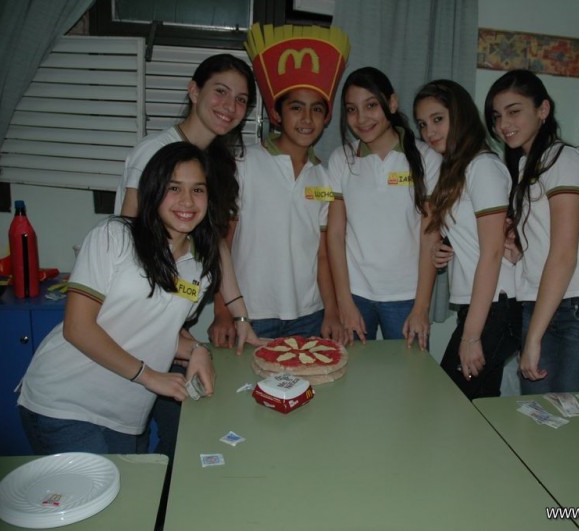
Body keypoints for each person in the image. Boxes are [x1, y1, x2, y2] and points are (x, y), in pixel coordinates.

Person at [17, 142, 259, 454]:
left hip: (127, 415)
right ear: (154, 190)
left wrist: (197, 350)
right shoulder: (114, 237)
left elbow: (157, 331)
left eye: (198, 189)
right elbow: (77, 328)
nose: (187, 201)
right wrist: (149, 376)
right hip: (65, 403)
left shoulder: (200, 267)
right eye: (174, 188)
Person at [484, 69, 579, 394]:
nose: (503, 124)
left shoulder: (562, 159)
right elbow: (546, 242)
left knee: (569, 415)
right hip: (544, 304)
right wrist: (520, 252)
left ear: (543, 109)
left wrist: (533, 338)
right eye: (497, 117)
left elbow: (564, 254)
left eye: (514, 111)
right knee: (537, 413)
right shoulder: (526, 165)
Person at [208, 23, 351, 345]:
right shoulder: (243, 163)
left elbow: (323, 254)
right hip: (250, 312)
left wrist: (331, 311)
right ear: (276, 114)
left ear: (327, 117)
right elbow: (222, 242)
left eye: (316, 110)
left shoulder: (324, 176)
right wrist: (222, 311)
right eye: (296, 108)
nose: (307, 119)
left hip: (309, 313)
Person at [414, 80, 521, 400]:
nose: (429, 131)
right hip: (483, 306)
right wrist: (447, 247)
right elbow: (474, 233)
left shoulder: (483, 167)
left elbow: (492, 253)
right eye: (422, 124)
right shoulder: (459, 168)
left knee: (449, 400)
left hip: (497, 307)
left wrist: (471, 336)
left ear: (459, 115)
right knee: (478, 404)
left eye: (438, 119)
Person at [326, 67, 441, 349]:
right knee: (349, 371)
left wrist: (421, 307)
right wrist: (344, 302)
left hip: (407, 298)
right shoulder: (342, 159)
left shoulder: (427, 158)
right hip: (355, 293)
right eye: (352, 109)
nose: (361, 118)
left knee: (410, 374)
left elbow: (430, 236)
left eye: (371, 106)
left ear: (392, 103)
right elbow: (335, 234)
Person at [114, 53, 256, 217]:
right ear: (194, 91)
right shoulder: (154, 151)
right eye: (221, 91)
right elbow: (130, 224)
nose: (231, 106)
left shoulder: (218, 161)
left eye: (241, 99)